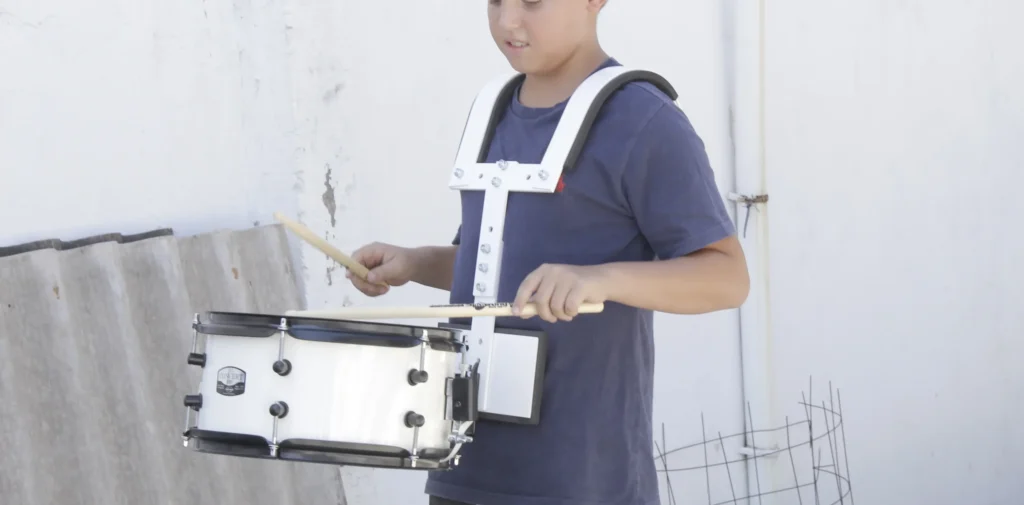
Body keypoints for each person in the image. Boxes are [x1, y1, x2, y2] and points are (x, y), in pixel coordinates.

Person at [344, 0, 750, 504]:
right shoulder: (490, 111)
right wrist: (414, 262)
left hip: (581, 478)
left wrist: (601, 280)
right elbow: (496, 267)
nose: (508, 21)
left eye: (532, 2)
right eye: (495, 2)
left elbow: (727, 278)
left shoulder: (646, 120)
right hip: (463, 469)